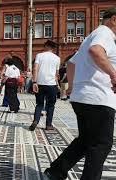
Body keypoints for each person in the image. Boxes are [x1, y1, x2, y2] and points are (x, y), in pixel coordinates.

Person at [44, 8, 116, 180]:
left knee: (85, 140)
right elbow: (96, 51)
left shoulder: (90, 37)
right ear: (114, 19)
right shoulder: (105, 33)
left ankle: (56, 170)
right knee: (100, 145)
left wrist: (72, 87)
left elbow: (71, 63)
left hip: (82, 97)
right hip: (98, 98)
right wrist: (114, 75)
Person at [29, 40, 60, 131]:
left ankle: (35, 121)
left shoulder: (39, 55)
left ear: (46, 46)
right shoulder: (57, 58)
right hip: (51, 84)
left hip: (40, 84)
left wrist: (34, 82)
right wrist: (57, 85)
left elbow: (35, 68)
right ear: (53, 48)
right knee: (50, 105)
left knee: (39, 104)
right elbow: (56, 74)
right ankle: (48, 125)